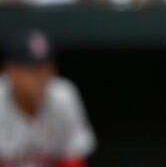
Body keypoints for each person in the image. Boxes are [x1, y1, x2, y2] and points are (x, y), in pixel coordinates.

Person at [0, 29, 96, 166]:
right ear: (11, 71)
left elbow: (74, 159)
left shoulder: (64, 96)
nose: (42, 78)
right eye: (33, 70)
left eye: (47, 68)